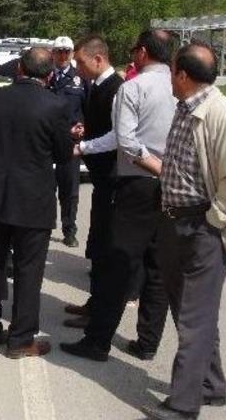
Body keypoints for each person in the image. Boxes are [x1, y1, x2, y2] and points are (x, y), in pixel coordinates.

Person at [140, 43, 226, 420]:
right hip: (175, 223)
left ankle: (183, 405)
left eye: (171, 72)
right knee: (190, 312)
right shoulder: (187, 108)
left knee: (195, 317)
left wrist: (211, 222)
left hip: (203, 227)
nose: (168, 78)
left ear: (181, 75)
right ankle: (211, 385)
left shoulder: (224, 115)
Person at [61, 29, 174, 362]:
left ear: (142, 53)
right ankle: (147, 342)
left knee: (118, 263)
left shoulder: (132, 88)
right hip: (173, 187)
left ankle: (97, 341)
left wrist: (81, 147)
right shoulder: (182, 87)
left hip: (138, 183)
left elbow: (122, 140)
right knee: (157, 268)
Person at [0, 47, 72, 356]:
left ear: (18, 71)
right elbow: (63, 154)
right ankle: (21, 339)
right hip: (32, 199)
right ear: (50, 75)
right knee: (29, 270)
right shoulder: (56, 105)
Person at [60, 35, 125, 329]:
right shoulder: (98, 87)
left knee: (106, 247)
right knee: (97, 246)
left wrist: (82, 147)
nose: (79, 70)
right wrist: (84, 130)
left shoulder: (116, 89)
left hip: (112, 179)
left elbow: (116, 137)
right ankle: (93, 304)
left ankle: (100, 313)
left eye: (82, 63)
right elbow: (100, 125)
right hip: (101, 180)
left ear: (98, 59)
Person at [48, 36, 88, 248]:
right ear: (52, 54)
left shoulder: (80, 79)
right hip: (46, 144)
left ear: (72, 54)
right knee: (45, 188)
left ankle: (69, 230)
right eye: (59, 51)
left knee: (69, 191)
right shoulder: (46, 77)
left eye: (66, 51)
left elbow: (89, 108)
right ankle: (44, 226)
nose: (62, 55)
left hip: (70, 144)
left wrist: (84, 127)